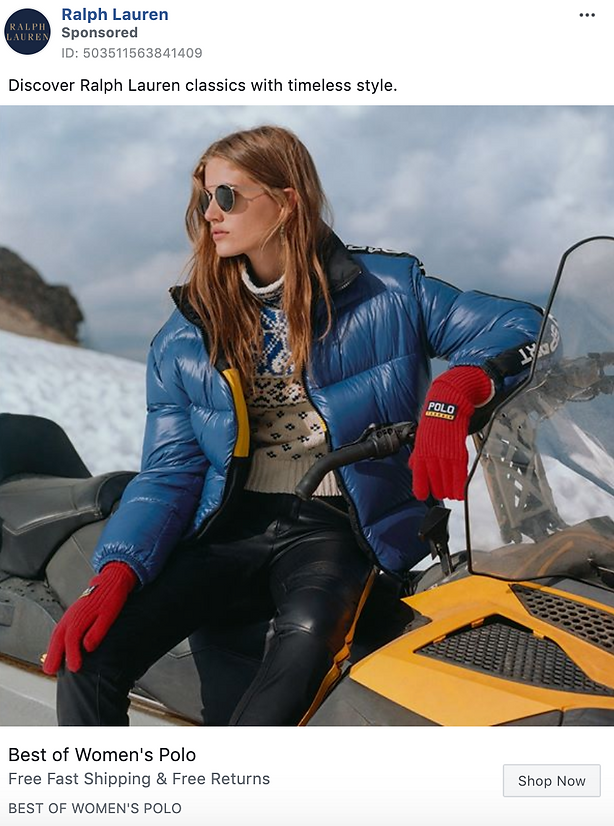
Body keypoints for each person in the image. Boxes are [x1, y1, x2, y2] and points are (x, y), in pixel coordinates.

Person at [43, 125, 543, 725]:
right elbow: (171, 472)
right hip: (229, 524)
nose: (210, 214)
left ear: (286, 201)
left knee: (298, 660)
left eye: (227, 197)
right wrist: (118, 569)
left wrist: (453, 392)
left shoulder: (389, 290)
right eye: (204, 199)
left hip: (335, 525)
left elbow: (528, 328)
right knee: (87, 663)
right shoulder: (185, 333)